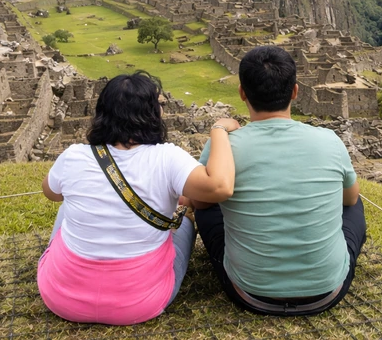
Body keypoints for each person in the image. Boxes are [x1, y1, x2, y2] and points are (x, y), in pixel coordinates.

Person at [37, 71, 236, 325]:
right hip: (139, 304)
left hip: (61, 299)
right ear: (152, 113)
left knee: (66, 205)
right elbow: (220, 187)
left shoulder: (74, 155)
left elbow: (50, 192)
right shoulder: (167, 157)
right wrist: (219, 129)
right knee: (184, 222)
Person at [190, 45, 366, 316]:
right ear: (295, 91)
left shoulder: (223, 147)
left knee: (208, 202)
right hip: (327, 292)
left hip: (249, 293)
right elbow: (350, 200)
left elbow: (200, 204)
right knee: (354, 201)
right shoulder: (329, 141)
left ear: (242, 93)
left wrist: (219, 129)